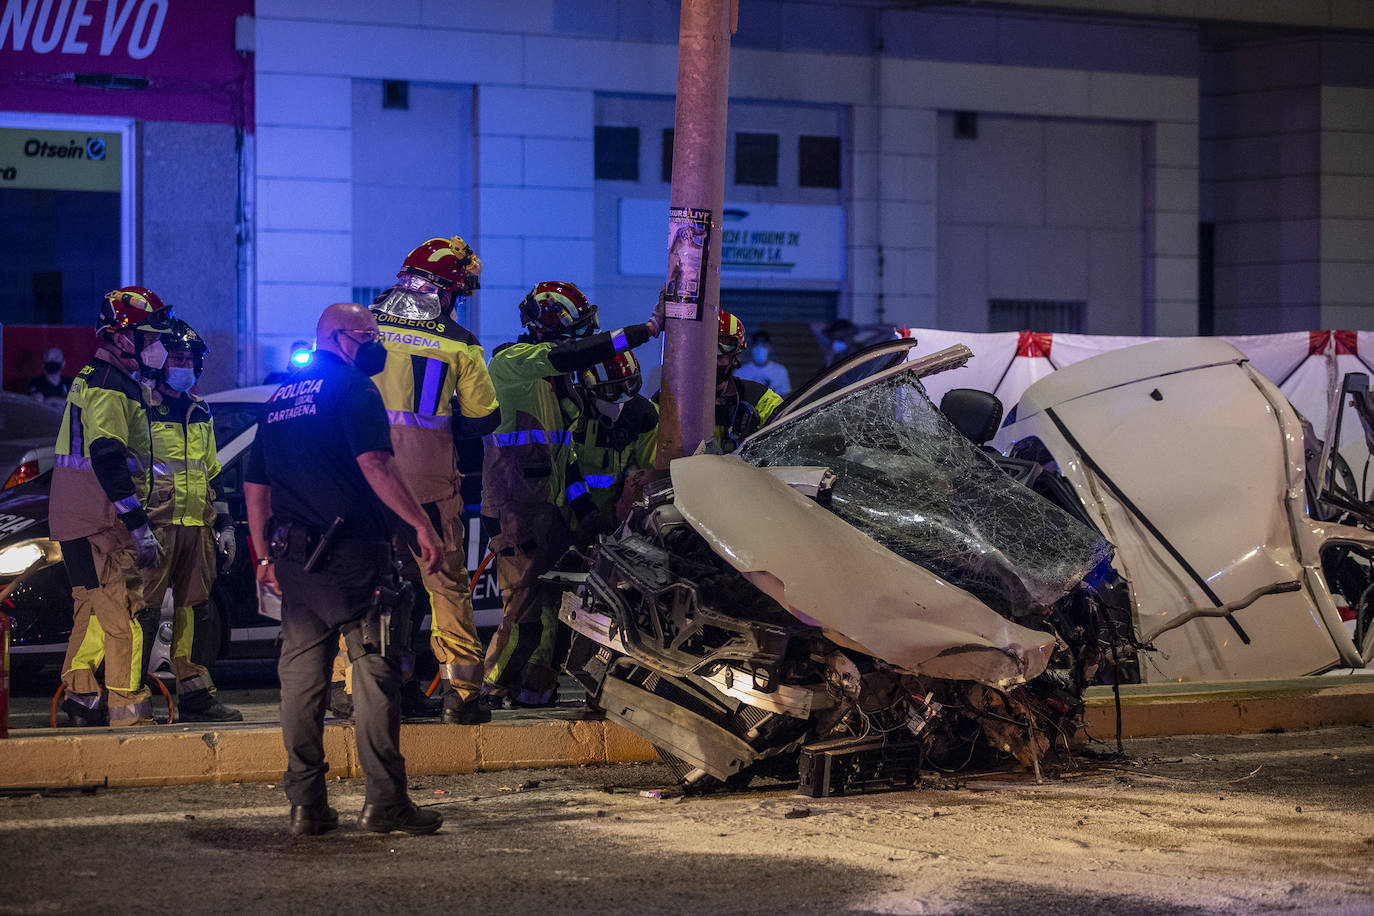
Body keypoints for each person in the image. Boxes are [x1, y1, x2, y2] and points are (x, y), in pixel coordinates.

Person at [245, 302, 444, 837]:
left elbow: (256, 485)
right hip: (355, 558)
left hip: (297, 564)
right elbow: (375, 464)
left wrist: (263, 555)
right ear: (339, 337)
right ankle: (385, 802)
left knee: (302, 681)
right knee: (376, 675)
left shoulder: (281, 396)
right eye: (368, 334)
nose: (376, 343)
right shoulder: (355, 389)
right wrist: (421, 526)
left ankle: (307, 804)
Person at [481, 281, 664, 709]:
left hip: (549, 510)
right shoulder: (513, 362)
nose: (584, 338)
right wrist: (649, 328)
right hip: (517, 508)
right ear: (548, 329)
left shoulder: (560, 383)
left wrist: (583, 510)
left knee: (551, 610)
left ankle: (534, 688)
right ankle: (487, 690)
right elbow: (570, 355)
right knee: (524, 610)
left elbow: (572, 457)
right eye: (578, 329)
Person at [367, 236, 500, 725]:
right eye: (457, 293)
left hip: (367, 476)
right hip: (428, 479)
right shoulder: (459, 342)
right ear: (444, 291)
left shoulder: (364, 330)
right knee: (443, 583)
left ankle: (357, 688)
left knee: (372, 581)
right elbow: (484, 417)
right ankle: (463, 695)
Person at [51, 286, 174, 727]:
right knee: (123, 611)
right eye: (149, 336)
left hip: (76, 518)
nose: (157, 345)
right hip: (99, 521)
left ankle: (82, 700)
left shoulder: (95, 378)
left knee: (93, 608)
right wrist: (138, 525)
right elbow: (107, 456)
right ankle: (128, 708)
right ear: (122, 338)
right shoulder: (111, 387)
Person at [140, 318, 242, 722]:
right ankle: (129, 698)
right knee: (141, 613)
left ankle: (196, 697)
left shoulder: (201, 411)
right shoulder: (142, 407)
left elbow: (210, 473)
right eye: (175, 357)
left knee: (195, 612)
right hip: (154, 526)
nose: (182, 365)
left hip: (196, 526)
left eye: (188, 359)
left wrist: (226, 524)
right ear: (161, 362)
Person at [563, 351, 659, 543]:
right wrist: (585, 511)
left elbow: (653, 476)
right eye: (612, 389)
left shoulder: (644, 417)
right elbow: (561, 468)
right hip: (561, 523)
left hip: (613, 529)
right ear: (589, 388)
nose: (622, 397)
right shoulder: (567, 409)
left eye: (629, 386)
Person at [714, 310, 783, 453]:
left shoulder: (758, 399)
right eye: (703, 354)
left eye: (720, 356)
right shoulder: (669, 404)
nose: (711, 363)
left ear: (736, 357)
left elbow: (793, 430)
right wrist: (654, 328)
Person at [734, 329, 792, 396]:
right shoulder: (740, 372)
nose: (760, 347)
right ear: (751, 347)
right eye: (757, 344)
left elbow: (785, 396)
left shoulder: (781, 370)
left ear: (770, 348)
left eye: (764, 344)